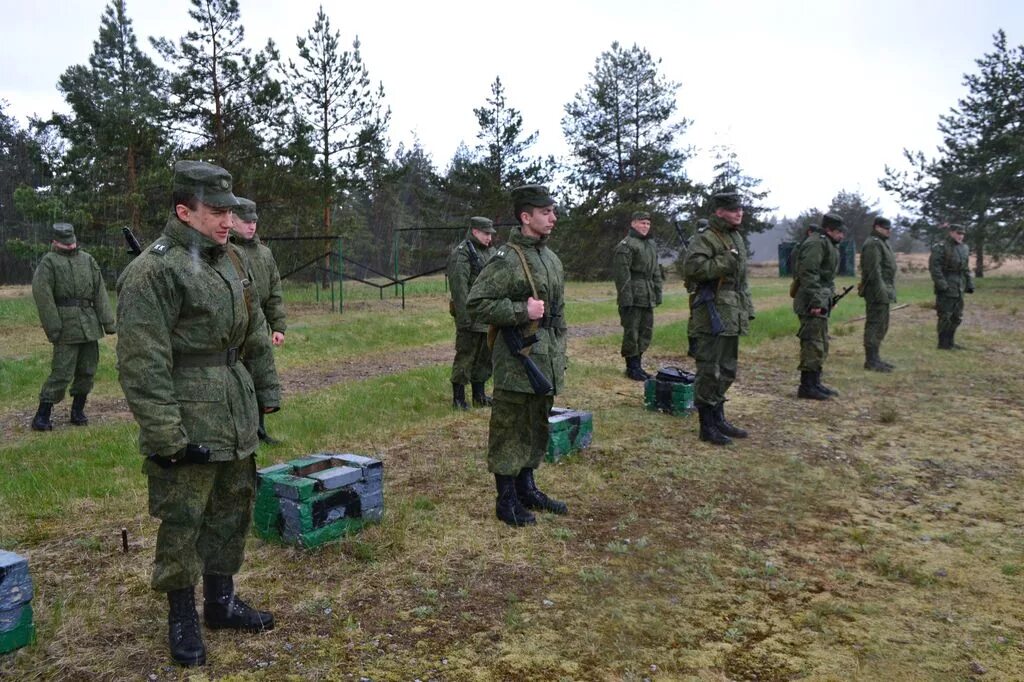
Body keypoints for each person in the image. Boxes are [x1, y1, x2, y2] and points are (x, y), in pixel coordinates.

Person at [116, 160, 281, 667]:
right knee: (184, 518)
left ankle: (221, 601)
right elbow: (143, 364)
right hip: (189, 414)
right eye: (216, 212)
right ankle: (182, 614)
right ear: (184, 211)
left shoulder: (230, 259)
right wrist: (166, 436)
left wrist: (266, 390)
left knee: (232, 507)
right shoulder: (153, 271)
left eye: (230, 211)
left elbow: (254, 329)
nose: (228, 221)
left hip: (234, 406)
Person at [467, 185, 568, 527]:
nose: (553, 218)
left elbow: (559, 315)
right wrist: (521, 310)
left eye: (553, 212)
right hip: (517, 359)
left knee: (537, 423)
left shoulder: (551, 259)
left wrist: (560, 354)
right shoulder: (507, 259)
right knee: (509, 427)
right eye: (545, 212)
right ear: (526, 217)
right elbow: (476, 304)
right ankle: (506, 498)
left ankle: (527, 488)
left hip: (546, 357)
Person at [682, 191, 754, 446]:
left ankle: (718, 417)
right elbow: (693, 269)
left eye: (740, 209)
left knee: (727, 369)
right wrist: (726, 260)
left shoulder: (735, 237)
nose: (739, 213)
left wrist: (747, 308)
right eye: (734, 209)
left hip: (732, 311)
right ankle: (707, 425)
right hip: (711, 311)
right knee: (709, 370)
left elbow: (741, 281)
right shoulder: (706, 238)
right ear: (719, 211)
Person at [30, 223, 116, 430]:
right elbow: (43, 296)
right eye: (65, 243)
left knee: (87, 370)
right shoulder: (49, 262)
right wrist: (53, 327)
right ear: (55, 242)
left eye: (71, 242)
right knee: (62, 371)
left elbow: (100, 292)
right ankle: (42, 415)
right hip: (65, 326)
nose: (69, 246)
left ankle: (78, 411)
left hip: (89, 326)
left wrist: (108, 322)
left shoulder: (88, 260)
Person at [231, 197, 287, 441]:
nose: (251, 226)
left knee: (260, 376)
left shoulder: (264, 254)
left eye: (254, 221)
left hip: (259, 324)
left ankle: (260, 430)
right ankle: (241, 432)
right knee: (238, 379)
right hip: (235, 324)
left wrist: (278, 326)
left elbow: (275, 292)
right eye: (246, 221)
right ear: (232, 221)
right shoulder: (225, 253)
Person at [793, 213, 847, 400]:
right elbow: (809, 273)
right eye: (839, 232)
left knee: (820, 342)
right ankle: (807, 386)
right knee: (812, 343)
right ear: (829, 230)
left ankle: (815, 382)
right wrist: (817, 301)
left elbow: (826, 277)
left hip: (820, 299)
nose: (842, 236)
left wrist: (829, 299)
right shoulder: (816, 244)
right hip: (811, 301)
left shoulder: (827, 244)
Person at [447, 216, 497, 409]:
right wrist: (465, 318)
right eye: (486, 234)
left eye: (490, 234)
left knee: (485, 356)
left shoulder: (490, 251)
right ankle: (458, 398)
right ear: (475, 232)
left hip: (487, 314)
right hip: (470, 315)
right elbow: (459, 289)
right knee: (466, 355)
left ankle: (479, 395)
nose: (489, 238)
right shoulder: (462, 253)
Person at [614, 210, 663, 380]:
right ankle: (632, 367)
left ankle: (639, 365)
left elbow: (655, 270)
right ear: (633, 223)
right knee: (632, 331)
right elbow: (622, 275)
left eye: (648, 223)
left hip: (647, 294)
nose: (645, 226)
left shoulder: (650, 244)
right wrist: (626, 298)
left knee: (645, 330)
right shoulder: (626, 245)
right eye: (642, 223)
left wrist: (658, 292)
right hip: (634, 294)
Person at [859, 216, 897, 371]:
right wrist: (881, 291)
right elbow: (873, 271)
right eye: (886, 228)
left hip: (884, 288)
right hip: (876, 290)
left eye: (889, 228)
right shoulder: (873, 244)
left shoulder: (882, 243)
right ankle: (871, 360)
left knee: (882, 324)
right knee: (875, 324)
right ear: (877, 227)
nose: (889, 231)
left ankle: (876, 358)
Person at [929, 223, 974, 349]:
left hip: (959, 286)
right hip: (947, 284)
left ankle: (951, 342)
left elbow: (965, 268)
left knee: (957, 316)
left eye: (963, 234)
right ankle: (943, 343)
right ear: (951, 232)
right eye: (958, 233)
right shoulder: (941, 247)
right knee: (945, 315)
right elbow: (935, 268)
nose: (961, 236)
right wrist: (942, 285)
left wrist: (969, 283)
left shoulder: (964, 248)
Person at [684, 218, 709, 359]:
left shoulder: (698, 242)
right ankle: (694, 347)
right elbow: (689, 267)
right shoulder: (696, 243)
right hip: (697, 285)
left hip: (702, 284)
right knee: (696, 316)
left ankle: (699, 346)